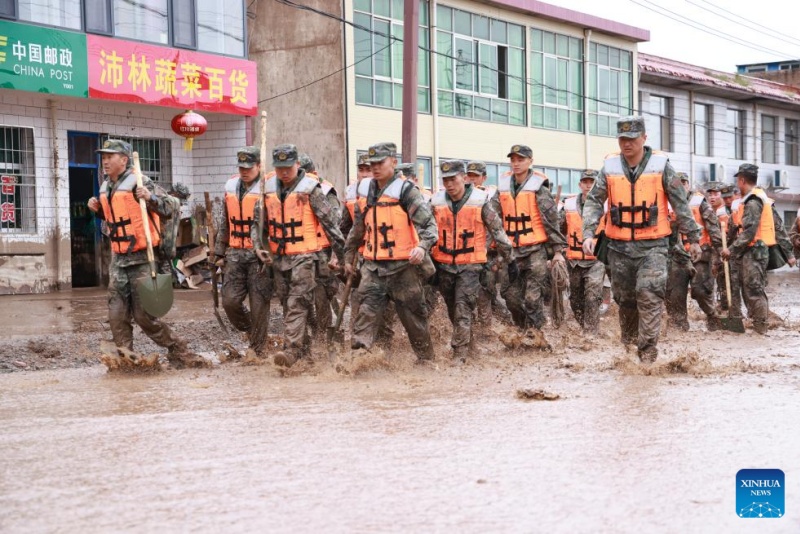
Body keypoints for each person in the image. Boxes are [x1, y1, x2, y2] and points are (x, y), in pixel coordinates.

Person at [581, 116, 702, 363]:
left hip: (653, 246)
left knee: (649, 295)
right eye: (622, 139)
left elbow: (680, 203)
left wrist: (693, 238)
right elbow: (594, 201)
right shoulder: (610, 167)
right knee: (625, 300)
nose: (627, 144)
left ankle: (647, 354)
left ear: (644, 138)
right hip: (618, 247)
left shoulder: (661, 166)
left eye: (632, 139)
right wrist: (588, 234)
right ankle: (629, 344)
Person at [87, 140, 206, 368]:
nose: (105, 161)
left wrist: (150, 198)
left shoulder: (140, 181)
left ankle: (178, 348)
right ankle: (127, 360)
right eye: (103, 157)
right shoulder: (106, 186)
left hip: (143, 257)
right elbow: (117, 218)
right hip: (119, 258)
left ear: (124, 160)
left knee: (144, 317)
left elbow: (170, 207)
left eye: (110, 157)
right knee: (116, 314)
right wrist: (98, 209)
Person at [343, 142, 438, 362]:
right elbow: (357, 230)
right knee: (365, 315)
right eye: (372, 164)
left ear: (393, 162)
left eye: (380, 163)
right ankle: (357, 361)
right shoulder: (364, 191)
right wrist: (348, 257)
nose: (375, 168)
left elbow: (429, 226)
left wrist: (422, 247)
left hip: (404, 268)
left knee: (414, 321)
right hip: (373, 268)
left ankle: (426, 361)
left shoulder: (406, 191)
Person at [252, 144, 345, 367]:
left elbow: (331, 224)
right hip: (279, 259)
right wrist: (258, 247)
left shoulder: (311, 189)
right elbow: (257, 224)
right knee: (287, 303)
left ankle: (291, 350)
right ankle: (304, 353)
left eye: (288, 167)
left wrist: (341, 257)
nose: (284, 172)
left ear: (297, 164)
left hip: (307, 257)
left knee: (297, 302)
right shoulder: (266, 189)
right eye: (279, 168)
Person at [430, 160, 512, 362]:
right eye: (445, 180)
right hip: (444, 265)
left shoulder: (480, 200)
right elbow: (423, 227)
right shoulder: (435, 202)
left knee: (462, 307)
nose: (449, 184)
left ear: (464, 178)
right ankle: (471, 345)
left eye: (453, 179)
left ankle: (460, 355)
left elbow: (497, 230)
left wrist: (509, 258)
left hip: (471, 265)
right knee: (452, 309)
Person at [497, 144, 567, 336]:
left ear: (530, 161)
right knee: (510, 297)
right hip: (511, 251)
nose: (516, 163)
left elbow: (551, 220)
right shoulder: (503, 186)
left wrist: (558, 252)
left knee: (532, 298)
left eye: (520, 159)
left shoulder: (538, 188)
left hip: (535, 250)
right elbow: (493, 216)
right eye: (513, 160)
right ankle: (522, 328)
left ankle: (535, 334)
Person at [721, 164, 796, 334]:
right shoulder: (751, 200)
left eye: (738, 181)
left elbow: (749, 232)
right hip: (749, 252)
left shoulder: (754, 201)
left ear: (742, 180)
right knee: (749, 290)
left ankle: (761, 329)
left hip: (755, 251)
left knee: (754, 290)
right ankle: (756, 325)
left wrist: (731, 249)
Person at [213, 146, 273, 357]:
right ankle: (251, 330)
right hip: (235, 254)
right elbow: (225, 222)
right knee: (229, 301)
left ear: (259, 166)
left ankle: (258, 350)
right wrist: (219, 251)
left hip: (259, 256)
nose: (244, 171)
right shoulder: (231, 186)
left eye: (249, 167)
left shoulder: (268, 189)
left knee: (259, 305)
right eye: (241, 167)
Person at [665, 173, 723, 331]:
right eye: (678, 183)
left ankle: (712, 315)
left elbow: (713, 227)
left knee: (700, 290)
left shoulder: (699, 201)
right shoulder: (667, 202)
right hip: (677, 255)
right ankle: (679, 325)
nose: (681, 186)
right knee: (675, 293)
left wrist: (719, 251)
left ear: (688, 185)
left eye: (684, 183)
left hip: (700, 254)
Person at [300, 153, 342, 338]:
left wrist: (337, 254)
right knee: (300, 294)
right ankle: (312, 330)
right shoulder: (291, 191)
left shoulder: (325, 190)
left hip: (322, 251)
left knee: (321, 294)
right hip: (300, 250)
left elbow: (335, 221)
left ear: (314, 174)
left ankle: (323, 334)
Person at [559, 169, 606, 334]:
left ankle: (591, 333)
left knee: (592, 296)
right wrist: (557, 252)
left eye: (592, 182)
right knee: (575, 300)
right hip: (574, 261)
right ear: (580, 184)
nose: (588, 185)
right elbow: (559, 229)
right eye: (585, 182)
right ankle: (584, 327)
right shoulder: (568, 205)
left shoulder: (606, 205)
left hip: (596, 260)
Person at [466, 160, 511, 326]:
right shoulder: (460, 197)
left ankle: (487, 327)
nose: (472, 179)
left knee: (486, 290)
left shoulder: (490, 197)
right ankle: (497, 322)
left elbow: (496, 227)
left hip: (489, 254)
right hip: (467, 252)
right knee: (473, 292)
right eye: (469, 176)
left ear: (484, 177)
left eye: (476, 176)